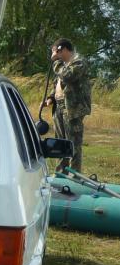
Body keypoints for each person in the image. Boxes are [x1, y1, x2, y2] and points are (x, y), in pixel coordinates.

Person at [45, 38, 91, 172]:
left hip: (73, 108)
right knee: (61, 142)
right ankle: (61, 172)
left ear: (64, 49)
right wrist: (51, 97)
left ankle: (74, 176)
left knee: (73, 143)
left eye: (56, 52)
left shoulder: (79, 61)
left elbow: (67, 76)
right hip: (59, 106)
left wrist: (56, 62)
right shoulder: (64, 64)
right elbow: (58, 83)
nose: (55, 55)